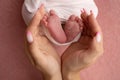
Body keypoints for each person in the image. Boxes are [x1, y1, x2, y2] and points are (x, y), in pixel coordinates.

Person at [25, 5, 103, 80]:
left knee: (32, 14)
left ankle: (61, 35)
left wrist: (53, 75)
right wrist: (70, 73)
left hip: (45, 20)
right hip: (51, 16)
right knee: (31, 13)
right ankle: (63, 36)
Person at [22, 0, 98, 45]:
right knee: (91, 12)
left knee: (30, 11)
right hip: (76, 9)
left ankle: (60, 33)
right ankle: (64, 35)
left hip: (43, 11)